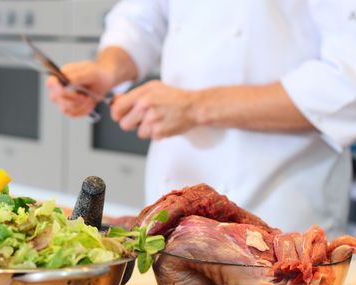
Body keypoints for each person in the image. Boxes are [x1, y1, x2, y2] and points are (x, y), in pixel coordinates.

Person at [47, 0, 356, 238]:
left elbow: (347, 82)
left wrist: (195, 107)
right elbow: (140, 21)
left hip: (281, 210)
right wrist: (106, 70)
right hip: (170, 207)